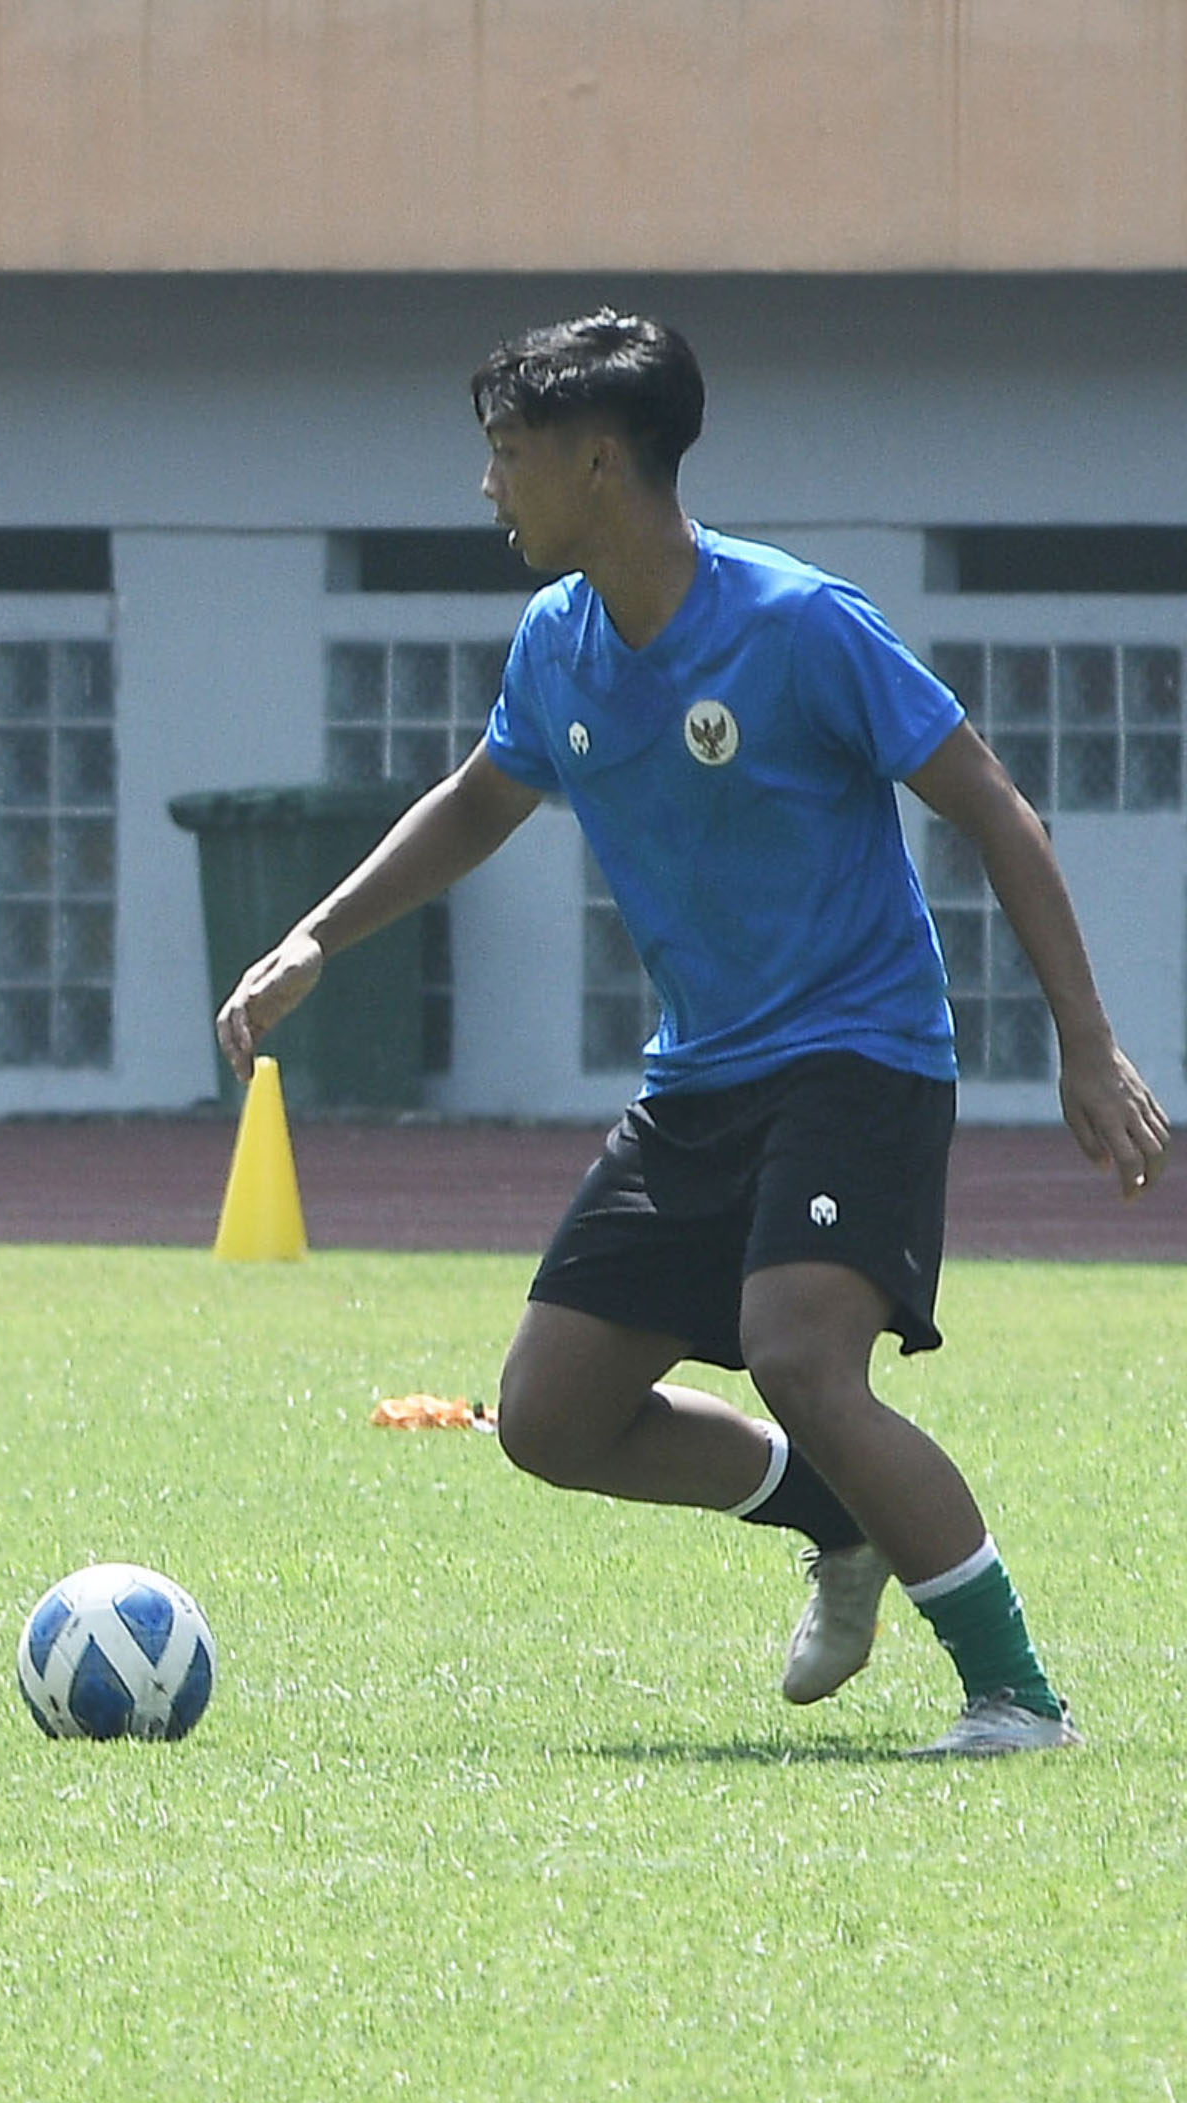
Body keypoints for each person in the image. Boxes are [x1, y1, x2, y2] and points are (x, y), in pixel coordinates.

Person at [217, 310, 1170, 1757]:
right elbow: (481, 799)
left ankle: (1017, 1697)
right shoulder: (559, 642)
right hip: (699, 1080)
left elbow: (991, 807)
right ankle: (830, 1512)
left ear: (600, 462)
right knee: (547, 1415)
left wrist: (1087, 1046)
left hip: (859, 1056)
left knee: (799, 1354)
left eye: (508, 456)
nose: (489, 489)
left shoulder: (798, 625)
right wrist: (318, 934)